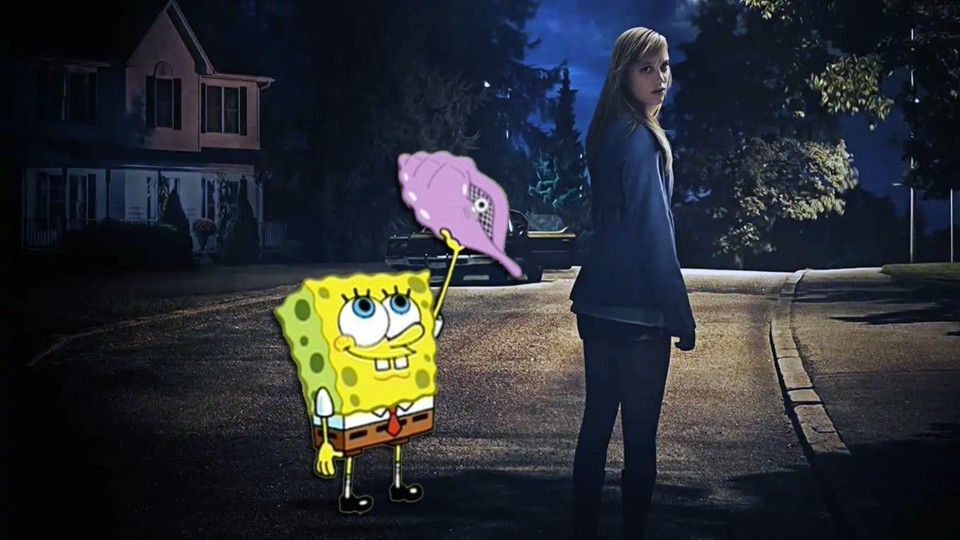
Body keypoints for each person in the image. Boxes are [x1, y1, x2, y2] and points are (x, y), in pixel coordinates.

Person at [568, 26, 696, 540]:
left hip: (596, 301)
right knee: (639, 439)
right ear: (624, 75)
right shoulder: (641, 139)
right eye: (647, 68)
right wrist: (680, 313)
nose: (660, 77)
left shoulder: (605, 132)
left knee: (596, 426)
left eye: (664, 66)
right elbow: (653, 231)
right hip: (638, 309)